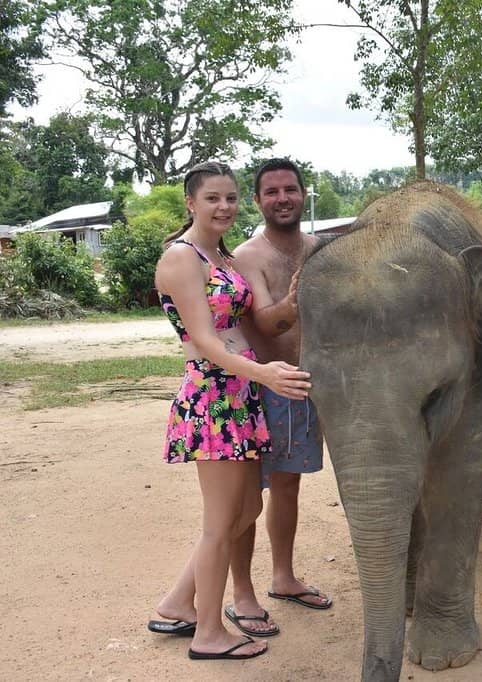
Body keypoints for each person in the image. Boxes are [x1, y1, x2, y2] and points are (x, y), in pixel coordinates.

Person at [146, 161, 312, 659]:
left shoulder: (220, 255)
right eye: (213, 198)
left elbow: (253, 320)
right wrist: (263, 373)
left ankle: (179, 602)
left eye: (231, 198)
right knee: (220, 523)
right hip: (213, 397)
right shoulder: (182, 258)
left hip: (238, 396)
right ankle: (209, 633)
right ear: (191, 203)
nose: (224, 207)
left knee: (247, 508)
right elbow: (203, 338)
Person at [221, 158, 332, 638]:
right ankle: (241, 595)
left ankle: (283, 578)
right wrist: (295, 299)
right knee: (244, 497)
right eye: (272, 192)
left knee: (289, 487)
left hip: (305, 388)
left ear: (304, 194)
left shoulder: (319, 248)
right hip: (262, 387)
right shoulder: (248, 256)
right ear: (258, 200)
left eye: (290, 189)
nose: (282, 198)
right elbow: (265, 323)